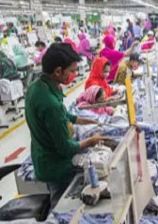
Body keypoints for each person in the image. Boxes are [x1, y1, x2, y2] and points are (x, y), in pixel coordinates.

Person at [25, 43, 108, 207]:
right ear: (58, 71)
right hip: (55, 166)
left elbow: (63, 115)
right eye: (71, 71)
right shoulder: (50, 104)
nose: (74, 75)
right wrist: (91, 141)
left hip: (42, 156)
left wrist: (85, 120)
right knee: (61, 206)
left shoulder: (36, 87)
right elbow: (65, 148)